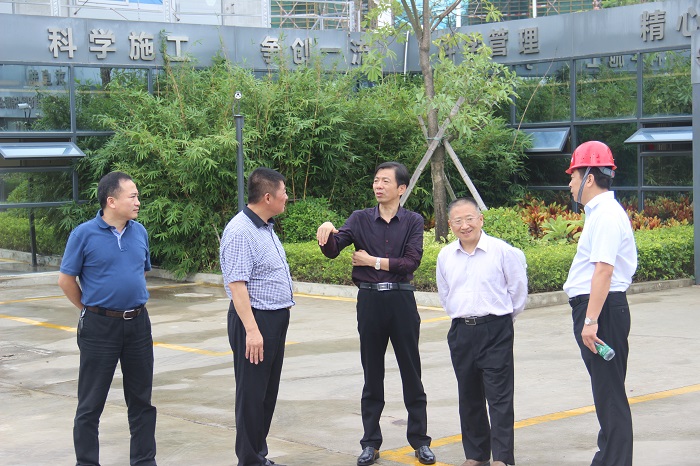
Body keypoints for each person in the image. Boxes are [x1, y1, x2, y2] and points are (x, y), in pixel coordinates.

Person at [316, 161, 435, 466]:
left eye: (385, 181)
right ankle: (370, 443)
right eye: (376, 180)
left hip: (401, 301)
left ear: (401, 188)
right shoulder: (359, 219)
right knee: (372, 374)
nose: (378, 186)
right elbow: (334, 249)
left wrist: (372, 262)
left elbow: (411, 263)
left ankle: (420, 441)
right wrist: (326, 233)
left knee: (411, 371)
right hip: (369, 301)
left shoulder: (413, 221)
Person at [58, 171, 157, 466]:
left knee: (141, 401)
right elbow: (66, 280)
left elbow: (140, 272)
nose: (138, 201)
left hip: (138, 324)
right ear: (111, 201)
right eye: (133, 196)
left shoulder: (140, 232)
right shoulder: (83, 234)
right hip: (99, 327)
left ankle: (144, 461)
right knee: (91, 403)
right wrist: (90, 308)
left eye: (138, 196)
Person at [435, 197, 528, 466]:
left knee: (499, 397)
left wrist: (501, 320)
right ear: (450, 224)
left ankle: (502, 458)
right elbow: (445, 294)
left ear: (480, 219)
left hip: (495, 329)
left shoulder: (502, 251)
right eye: (458, 221)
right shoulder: (445, 256)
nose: (465, 226)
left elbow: (518, 292)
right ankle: (476, 455)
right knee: (469, 395)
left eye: (469, 219)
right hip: (461, 331)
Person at [563, 140, 637, 466]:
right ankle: (607, 458)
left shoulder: (606, 214)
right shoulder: (601, 213)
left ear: (590, 177)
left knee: (609, 394)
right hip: (602, 308)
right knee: (607, 392)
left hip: (601, 310)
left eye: (573, 176)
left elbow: (604, 270)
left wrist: (590, 321)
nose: (570, 183)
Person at [219, 167, 295, 466]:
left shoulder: (264, 227)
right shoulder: (240, 231)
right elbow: (237, 285)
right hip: (255, 320)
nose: (287, 197)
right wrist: (252, 331)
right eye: (283, 192)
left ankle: (258, 455)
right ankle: (249, 460)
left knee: (266, 393)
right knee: (252, 394)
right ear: (267, 197)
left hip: (274, 319)